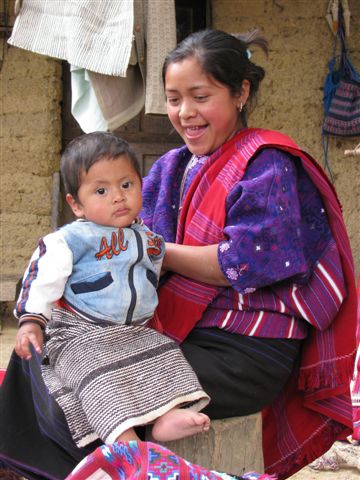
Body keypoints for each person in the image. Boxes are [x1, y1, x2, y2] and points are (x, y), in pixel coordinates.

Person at [0, 29, 357, 480]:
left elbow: (240, 264)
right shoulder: (170, 168)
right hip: (171, 333)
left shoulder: (268, 165)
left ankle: (112, 467)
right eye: (173, 99)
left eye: (200, 96)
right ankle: (29, 466)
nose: (185, 113)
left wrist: (155, 251)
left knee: (82, 378)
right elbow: (118, 246)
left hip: (243, 353)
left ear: (241, 92)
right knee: (40, 349)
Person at [13, 131, 210, 449]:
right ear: (76, 204)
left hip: (131, 332)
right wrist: (31, 321)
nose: (118, 196)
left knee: (166, 354)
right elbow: (41, 278)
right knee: (96, 376)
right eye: (101, 190)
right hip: (80, 334)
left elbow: (152, 270)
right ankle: (123, 440)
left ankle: (167, 415)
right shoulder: (70, 240)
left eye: (126, 185)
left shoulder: (146, 237)